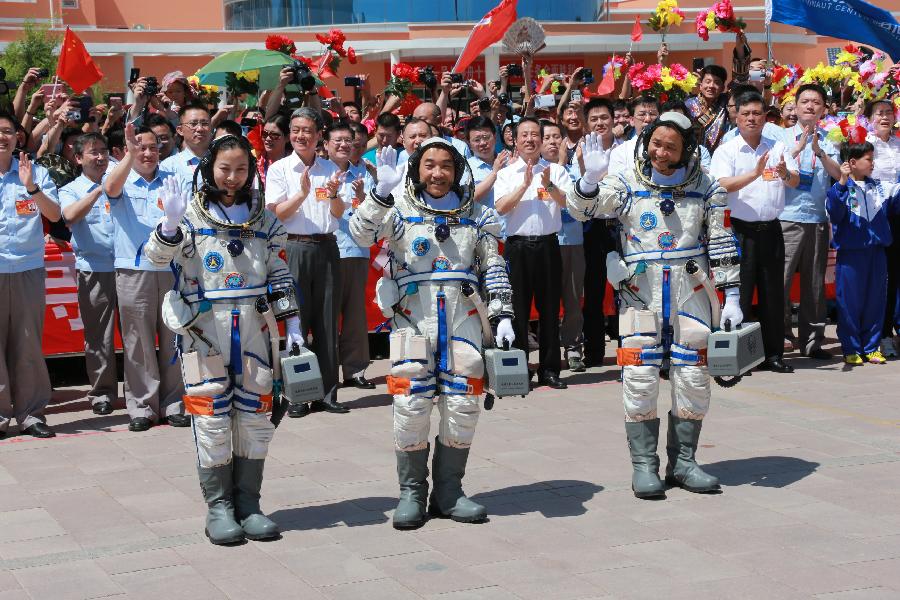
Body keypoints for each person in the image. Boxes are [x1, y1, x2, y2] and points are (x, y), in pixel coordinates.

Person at [568, 113, 742, 498]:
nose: (661, 153)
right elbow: (582, 210)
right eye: (656, 144)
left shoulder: (707, 187)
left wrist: (732, 297)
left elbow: (722, 241)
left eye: (671, 147)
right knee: (640, 379)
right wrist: (589, 180)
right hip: (640, 294)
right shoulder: (628, 182)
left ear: (687, 150)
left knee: (692, 379)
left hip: (691, 293)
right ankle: (644, 467)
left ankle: (684, 463)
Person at [349, 138, 515, 529]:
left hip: (464, 320)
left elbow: (493, 264)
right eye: (428, 165)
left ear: (457, 171)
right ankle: (411, 493)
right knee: (411, 408)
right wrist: (380, 193)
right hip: (413, 319)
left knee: (462, 406)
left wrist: (504, 313)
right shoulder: (398, 209)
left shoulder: (476, 213)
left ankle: (450, 491)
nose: (437, 173)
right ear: (416, 168)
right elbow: (360, 234)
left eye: (445, 166)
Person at [144, 134, 301, 544]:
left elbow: (279, 273)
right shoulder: (189, 215)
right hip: (204, 332)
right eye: (224, 169)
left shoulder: (264, 220)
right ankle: (219, 507)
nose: (232, 178)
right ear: (209, 167)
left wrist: (294, 326)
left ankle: (249, 504)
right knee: (212, 419)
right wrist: (170, 224)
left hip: (254, 330)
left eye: (241, 170)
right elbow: (154, 259)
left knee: (254, 419)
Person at [103, 124, 187, 431]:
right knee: (137, 342)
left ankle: (175, 403)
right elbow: (110, 189)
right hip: (134, 271)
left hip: (171, 270)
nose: (148, 153)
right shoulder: (122, 178)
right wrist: (129, 153)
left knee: (173, 339)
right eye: (141, 147)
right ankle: (142, 407)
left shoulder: (173, 180)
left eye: (153, 147)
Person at [265, 107, 347, 416]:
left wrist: (336, 195)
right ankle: (298, 394)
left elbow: (338, 213)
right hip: (294, 250)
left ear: (319, 134)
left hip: (326, 248)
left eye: (308, 130)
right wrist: (301, 194)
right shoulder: (280, 169)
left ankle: (327, 392)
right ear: (289, 134)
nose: (302, 136)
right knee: (295, 322)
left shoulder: (331, 169)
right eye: (296, 130)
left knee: (327, 322)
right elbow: (277, 213)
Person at [711, 90, 799, 373]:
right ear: (736, 117)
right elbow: (721, 184)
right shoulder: (727, 150)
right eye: (746, 113)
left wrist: (784, 172)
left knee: (774, 293)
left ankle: (773, 354)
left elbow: (794, 181)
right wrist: (754, 174)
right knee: (740, 293)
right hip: (740, 231)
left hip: (771, 229)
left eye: (757, 114)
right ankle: (744, 357)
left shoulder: (778, 146)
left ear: (765, 117)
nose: (751, 118)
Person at [496, 118, 571, 389]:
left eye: (535, 134)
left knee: (550, 309)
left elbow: (568, 204)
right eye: (524, 135)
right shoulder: (506, 173)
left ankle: (550, 369)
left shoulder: (555, 171)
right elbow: (502, 207)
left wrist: (548, 185)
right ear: (514, 140)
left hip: (549, 245)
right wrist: (523, 185)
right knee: (518, 311)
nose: (530, 139)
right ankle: (520, 368)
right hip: (517, 248)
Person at [0, 111, 60, 438]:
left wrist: (32, 188)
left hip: (27, 269)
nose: (2, 137)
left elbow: (55, 214)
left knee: (27, 345)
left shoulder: (34, 172)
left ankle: (31, 414)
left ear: (17, 138)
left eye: (8, 131)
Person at [779, 84, 842, 359]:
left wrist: (819, 152)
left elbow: (839, 175)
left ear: (824, 109)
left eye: (816, 102)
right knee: (780, 281)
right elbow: (772, 167)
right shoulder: (779, 137)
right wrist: (798, 147)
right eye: (804, 101)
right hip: (785, 218)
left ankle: (812, 341)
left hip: (816, 218)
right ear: (794, 105)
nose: (810, 106)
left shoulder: (831, 139)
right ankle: (779, 336)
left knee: (814, 285)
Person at [58, 133, 119, 416]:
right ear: (78, 158)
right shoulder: (70, 189)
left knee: (136, 335)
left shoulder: (122, 182)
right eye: (93, 153)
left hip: (131, 266)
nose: (100, 157)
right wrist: (98, 190)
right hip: (94, 270)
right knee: (99, 336)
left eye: (104, 151)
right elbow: (69, 217)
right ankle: (102, 393)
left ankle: (139, 392)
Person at [826, 140, 900, 365]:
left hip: (876, 253)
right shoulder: (840, 189)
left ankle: (871, 347)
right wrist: (841, 182)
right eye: (868, 159)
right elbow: (835, 213)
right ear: (852, 162)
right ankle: (851, 347)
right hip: (851, 255)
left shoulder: (881, 188)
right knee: (850, 302)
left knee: (875, 301)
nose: (873, 163)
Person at [331, 120, 375, 389]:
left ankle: (355, 370)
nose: (344, 145)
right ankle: (327, 373)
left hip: (356, 249)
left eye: (348, 140)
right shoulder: (319, 173)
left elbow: (374, 213)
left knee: (356, 315)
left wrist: (362, 198)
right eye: (338, 140)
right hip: (328, 249)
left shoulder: (365, 175)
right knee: (327, 315)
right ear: (326, 144)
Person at [579, 98, 620, 368]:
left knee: (627, 288)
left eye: (604, 118)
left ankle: (630, 347)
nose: (599, 123)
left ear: (613, 119)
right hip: (593, 227)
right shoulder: (581, 152)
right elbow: (580, 190)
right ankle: (593, 352)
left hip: (619, 226)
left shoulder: (625, 151)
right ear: (587, 123)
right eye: (594, 119)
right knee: (593, 292)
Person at [542, 120, 585, 372]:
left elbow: (572, 206)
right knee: (547, 301)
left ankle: (573, 347)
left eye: (557, 137)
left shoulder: (575, 172)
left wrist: (561, 167)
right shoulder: (534, 172)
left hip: (571, 241)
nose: (552, 142)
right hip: (545, 243)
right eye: (546, 137)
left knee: (572, 299)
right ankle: (549, 352)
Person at [866, 99, 900, 357]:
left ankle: (889, 330)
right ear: (870, 118)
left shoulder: (898, 143)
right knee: (878, 278)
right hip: (873, 215)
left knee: (895, 275)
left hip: (897, 214)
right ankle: (876, 335)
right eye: (880, 113)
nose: (885, 117)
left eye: (889, 112)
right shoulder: (864, 143)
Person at [161, 103, 213, 196]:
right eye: (193, 124)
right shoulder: (169, 166)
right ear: (180, 130)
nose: (200, 128)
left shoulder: (221, 160)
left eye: (205, 124)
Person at [685, 65, 730, 152]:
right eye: (708, 81)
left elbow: (739, 81)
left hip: (718, 158)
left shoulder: (726, 102)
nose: (711, 86)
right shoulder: (688, 104)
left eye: (717, 82)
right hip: (691, 157)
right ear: (701, 85)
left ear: (722, 88)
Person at [256, 114, 290, 186]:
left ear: (287, 138)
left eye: (274, 135)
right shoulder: (254, 159)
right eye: (264, 134)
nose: (268, 139)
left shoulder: (295, 163)